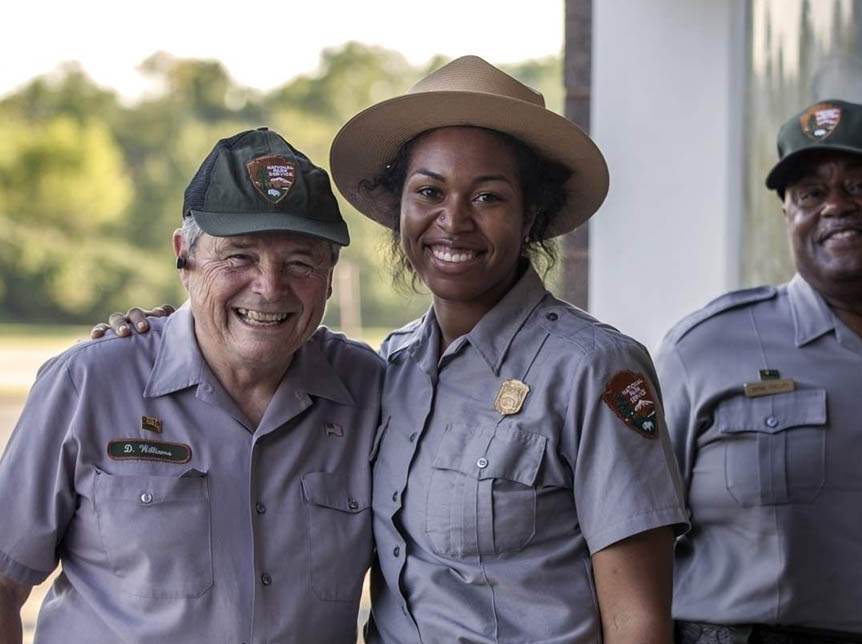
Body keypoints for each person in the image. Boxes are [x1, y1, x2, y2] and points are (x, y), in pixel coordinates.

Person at [331, 54, 688, 644]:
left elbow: (639, 622)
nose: (453, 220)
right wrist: (150, 334)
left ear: (531, 217)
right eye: (429, 191)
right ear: (400, 208)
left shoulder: (592, 369)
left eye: (488, 197)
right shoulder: (388, 369)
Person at [0, 128, 382, 644]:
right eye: (239, 257)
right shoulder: (89, 384)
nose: (269, 287)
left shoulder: (372, 394)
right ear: (185, 256)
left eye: (300, 262)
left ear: (331, 275)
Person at [655, 99, 862, 643]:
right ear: (787, 216)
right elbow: (627, 541)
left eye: (861, 185)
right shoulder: (702, 351)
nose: (836, 206)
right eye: (811, 194)